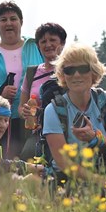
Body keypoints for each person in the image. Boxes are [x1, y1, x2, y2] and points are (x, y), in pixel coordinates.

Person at [42, 43, 106, 191]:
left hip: (103, 169)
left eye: (83, 69)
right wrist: (101, 181)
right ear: (63, 75)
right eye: (69, 70)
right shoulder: (53, 110)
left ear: (94, 72)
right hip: (68, 179)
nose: (76, 75)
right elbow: (62, 162)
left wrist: (94, 138)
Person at [0, 1, 44, 159]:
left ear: (21, 22)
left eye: (13, 19)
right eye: (3, 20)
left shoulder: (36, 46)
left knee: (31, 159)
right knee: (3, 162)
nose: (9, 23)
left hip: (33, 118)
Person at [18, 22, 67, 159]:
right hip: (39, 133)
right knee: (27, 160)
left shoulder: (69, 70)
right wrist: (26, 112)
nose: (48, 44)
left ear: (62, 43)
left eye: (53, 40)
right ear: (38, 46)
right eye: (43, 41)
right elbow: (21, 108)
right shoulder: (32, 72)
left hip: (67, 130)